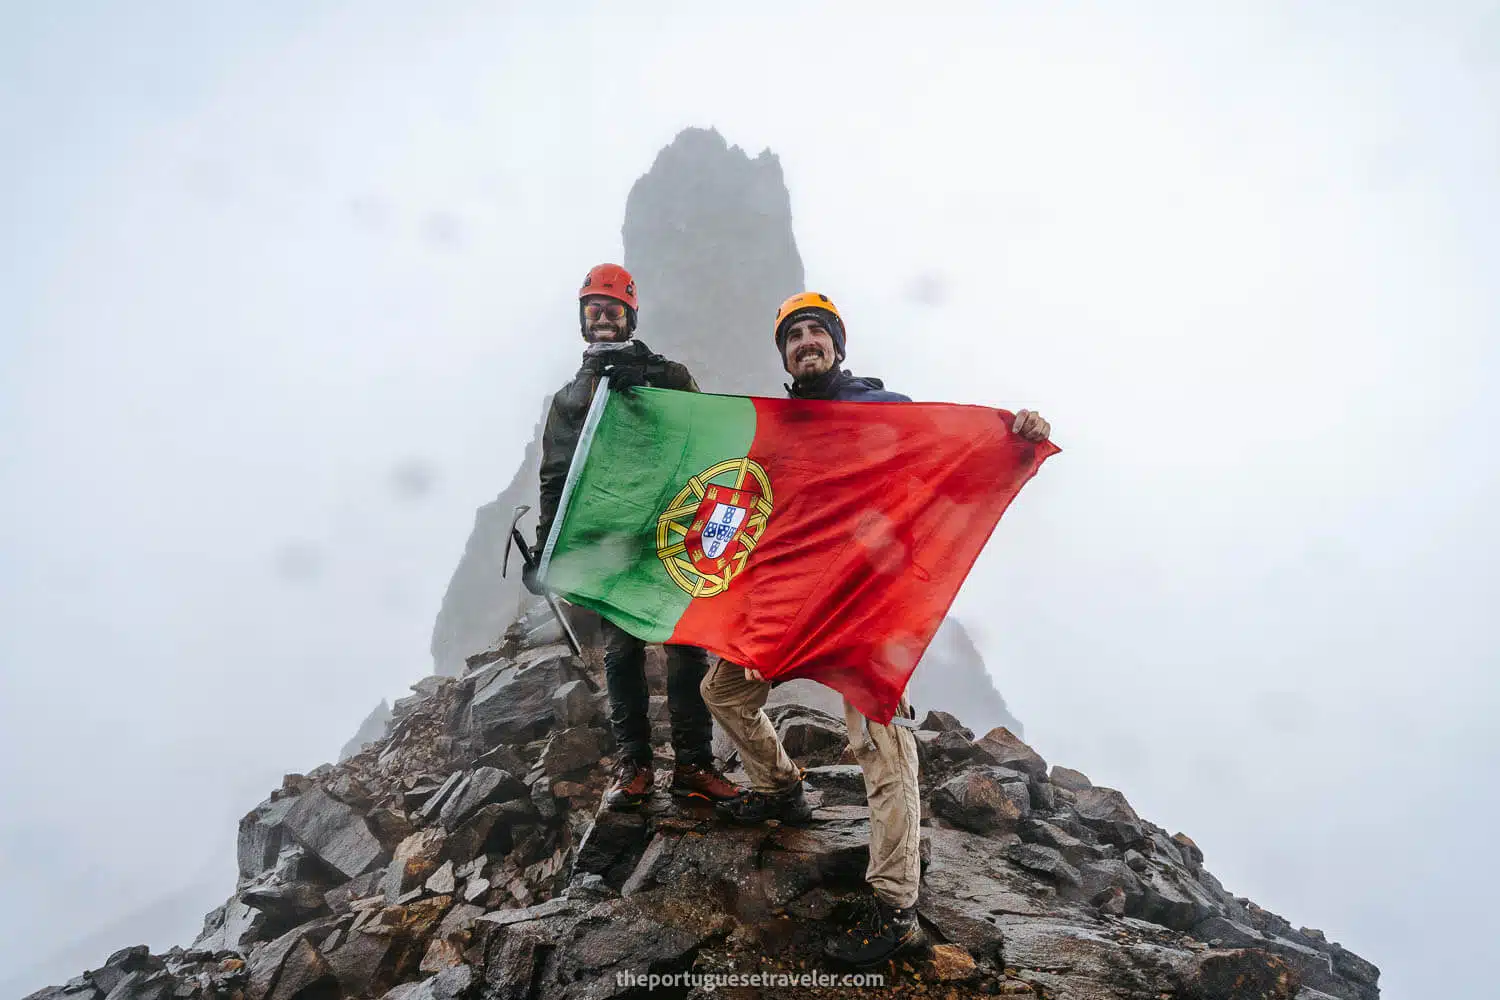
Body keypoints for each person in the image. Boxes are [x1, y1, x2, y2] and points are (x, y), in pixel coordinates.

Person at [699, 291, 1052, 967]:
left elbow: (954, 456)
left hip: (865, 604)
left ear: (837, 345)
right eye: (794, 336)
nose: (806, 342)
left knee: (879, 741)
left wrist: (1017, 436)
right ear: (785, 354)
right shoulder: (782, 425)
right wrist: (696, 579)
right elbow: (741, 499)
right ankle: (781, 789)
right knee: (724, 692)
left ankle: (894, 902)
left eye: (816, 332)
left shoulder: (882, 411)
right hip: (788, 601)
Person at [525, 263, 740, 810]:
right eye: (593, 309)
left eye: (612, 309)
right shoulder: (568, 399)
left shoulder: (668, 374)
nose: (602, 317)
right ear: (582, 320)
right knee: (621, 653)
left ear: (629, 317)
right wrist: (549, 550)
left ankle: (694, 764)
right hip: (610, 543)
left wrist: (648, 382)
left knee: (685, 647)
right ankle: (634, 764)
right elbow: (556, 476)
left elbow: (705, 431)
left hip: (670, 533)